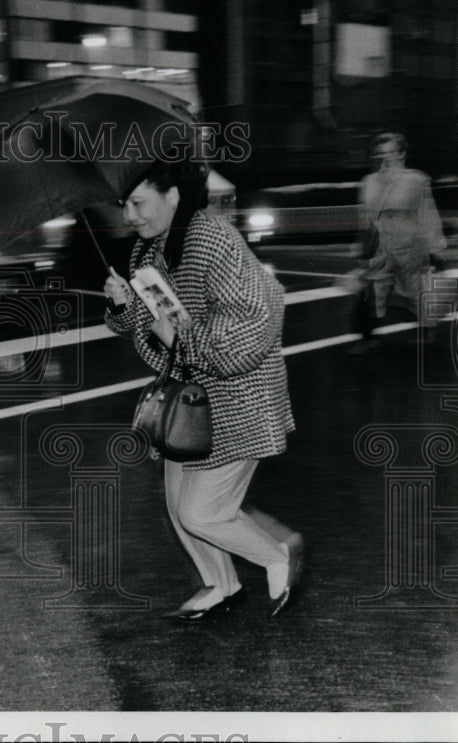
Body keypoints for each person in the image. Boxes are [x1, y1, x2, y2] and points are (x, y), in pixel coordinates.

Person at [103, 159, 303, 621]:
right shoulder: (145, 252)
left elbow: (259, 314)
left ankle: (278, 555)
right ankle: (221, 584)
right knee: (178, 507)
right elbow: (146, 322)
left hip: (238, 394)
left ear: (172, 195)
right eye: (124, 205)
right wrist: (120, 307)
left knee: (201, 513)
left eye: (138, 203)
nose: (130, 216)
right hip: (190, 398)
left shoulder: (212, 237)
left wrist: (184, 338)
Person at [348, 132, 447, 354]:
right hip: (381, 246)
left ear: (402, 153)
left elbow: (427, 214)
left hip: (411, 245)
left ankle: (426, 329)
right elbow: (366, 219)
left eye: (391, 152)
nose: (386, 157)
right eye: (381, 153)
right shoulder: (369, 182)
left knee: (415, 292)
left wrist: (435, 249)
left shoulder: (416, 180)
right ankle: (368, 338)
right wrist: (361, 245)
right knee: (372, 292)